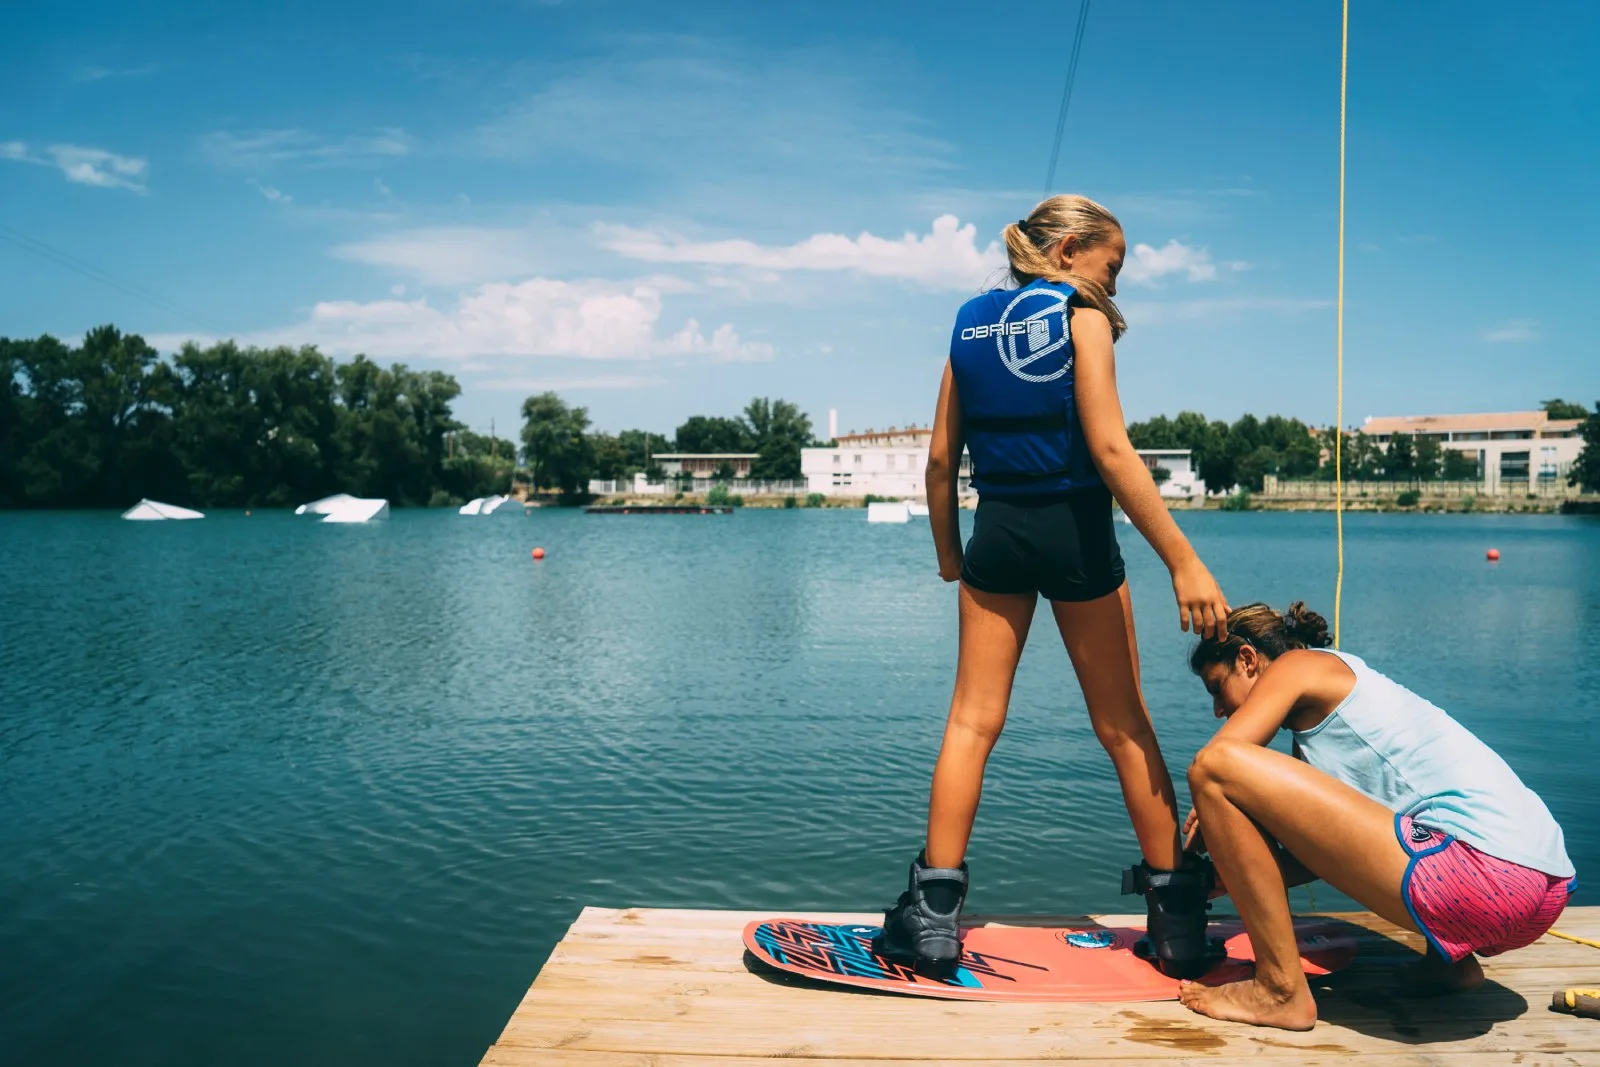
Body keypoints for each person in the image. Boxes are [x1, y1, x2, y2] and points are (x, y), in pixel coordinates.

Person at [875, 194, 1231, 979]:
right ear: (1070, 249)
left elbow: (940, 461)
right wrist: (1183, 558)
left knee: (972, 721)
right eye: (1115, 265)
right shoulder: (1083, 315)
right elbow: (1108, 446)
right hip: (1075, 532)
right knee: (1125, 726)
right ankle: (1176, 923)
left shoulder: (968, 324)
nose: (1117, 283)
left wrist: (948, 553)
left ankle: (932, 918)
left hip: (995, 534)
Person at [1179, 602, 1576, 1030]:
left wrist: (1207, 806)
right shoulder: (1337, 708)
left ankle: (1279, 990)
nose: (1218, 710)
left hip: (1482, 880)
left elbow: (1220, 758)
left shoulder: (1297, 666)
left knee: (1215, 768)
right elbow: (1324, 854)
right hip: (1543, 890)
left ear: (1247, 659)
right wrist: (1227, 876)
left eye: (1217, 689)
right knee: (1426, 813)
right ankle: (1451, 966)